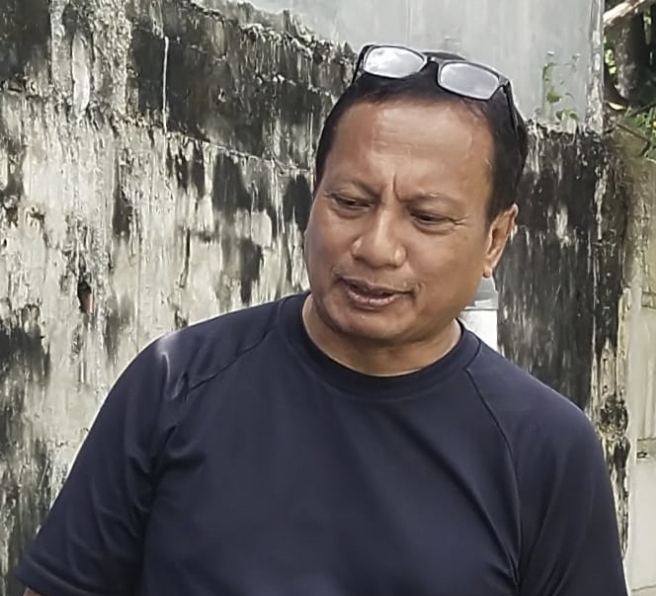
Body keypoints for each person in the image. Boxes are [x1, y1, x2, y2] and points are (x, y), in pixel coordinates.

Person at [16, 44, 628, 596]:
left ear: (495, 238)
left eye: (427, 217)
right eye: (351, 202)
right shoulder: (175, 385)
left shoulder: (546, 450)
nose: (376, 247)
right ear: (313, 195)